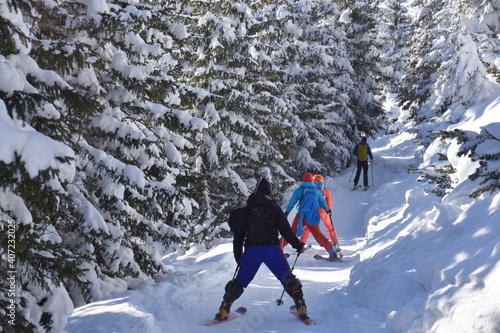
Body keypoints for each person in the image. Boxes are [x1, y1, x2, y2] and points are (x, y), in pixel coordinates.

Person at [215, 178, 308, 321]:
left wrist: (239, 257)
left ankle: (224, 309)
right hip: (272, 250)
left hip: (252, 251)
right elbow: (286, 231)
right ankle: (301, 307)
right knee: (287, 278)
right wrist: (299, 246)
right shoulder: (274, 208)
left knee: (239, 281)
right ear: (268, 192)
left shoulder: (247, 210)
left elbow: (238, 237)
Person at [280, 173, 340, 261]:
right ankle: (332, 252)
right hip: (313, 216)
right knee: (318, 235)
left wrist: (287, 212)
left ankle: (278, 249)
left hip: (301, 216)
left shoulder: (300, 190)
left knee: (290, 233)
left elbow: (292, 202)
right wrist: (327, 210)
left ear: (304, 180)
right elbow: (322, 202)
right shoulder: (316, 190)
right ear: (312, 180)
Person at [299, 174, 342, 256]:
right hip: (323, 212)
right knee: (330, 227)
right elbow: (329, 201)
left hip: (314, 212)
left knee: (308, 228)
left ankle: (301, 243)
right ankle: (335, 243)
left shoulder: (311, 190)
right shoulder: (325, 191)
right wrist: (329, 210)